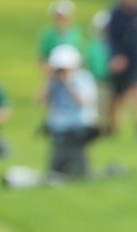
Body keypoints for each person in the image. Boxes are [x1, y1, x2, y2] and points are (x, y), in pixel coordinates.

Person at [41, 44, 99, 180]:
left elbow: (83, 103)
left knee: (80, 173)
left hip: (77, 130)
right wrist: (49, 80)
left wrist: (68, 83)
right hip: (59, 130)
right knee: (54, 172)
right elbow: (42, 101)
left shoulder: (84, 78)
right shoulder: (53, 81)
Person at [106, 0, 137, 135]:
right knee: (117, 96)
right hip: (121, 60)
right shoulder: (116, 14)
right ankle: (113, 128)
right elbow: (112, 39)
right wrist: (116, 56)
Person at [37, 0, 83, 70]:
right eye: (59, 17)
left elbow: (81, 55)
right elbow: (41, 58)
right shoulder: (48, 35)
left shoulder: (76, 34)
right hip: (54, 72)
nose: (62, 20)